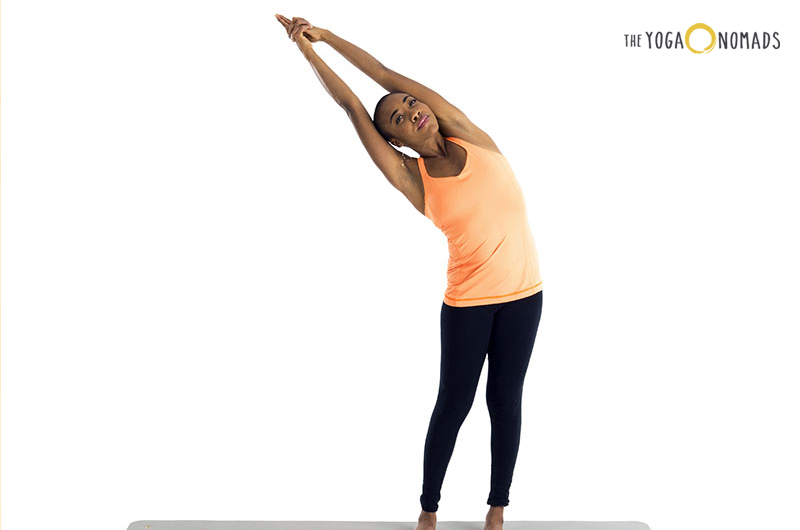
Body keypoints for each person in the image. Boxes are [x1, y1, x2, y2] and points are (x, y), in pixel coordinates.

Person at [275, 15, 544, 530]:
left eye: (411, 105)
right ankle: (428, 509)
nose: (411, 111)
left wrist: (327, 35)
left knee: (505, 400)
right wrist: (309, 55)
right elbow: (355, 105)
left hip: (524, 297)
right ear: (395, 141)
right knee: (454, 405)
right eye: (399, 118)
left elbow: (382, 75)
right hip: (467, 305)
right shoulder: (410, 177)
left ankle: (497, 508)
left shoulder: (468, 131)